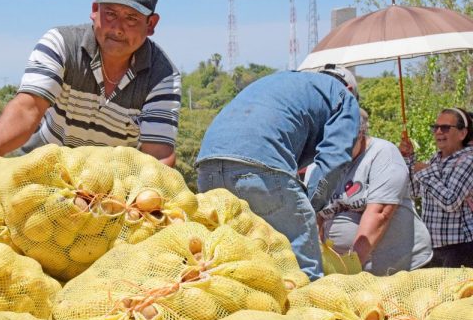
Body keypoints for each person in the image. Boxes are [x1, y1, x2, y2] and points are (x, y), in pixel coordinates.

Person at [0, 0, 181, 178]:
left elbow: (158, 156)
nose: (118, 28)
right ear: (95, 11)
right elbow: (28, 108)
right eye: (110, 14)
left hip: (109, 189)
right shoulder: (61, 44)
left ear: (151, 24)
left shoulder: (163, 76)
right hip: (42, 175)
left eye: (131, 18)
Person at [196, 65, 361, 280]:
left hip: (207, 167)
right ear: (349, 88)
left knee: (236, 270)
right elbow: (333, 160)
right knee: (301, 275)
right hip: (260, 170)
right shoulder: (342, 96)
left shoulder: (284, 81)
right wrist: (309, 208)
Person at [318, 109, 433, 274]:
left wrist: (352, 268)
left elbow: (379, 214)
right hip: (348, 270)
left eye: (342, 141)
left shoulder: (383, 153)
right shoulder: (326, 162)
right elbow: (317, 213)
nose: (336, 148)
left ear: (360, 134)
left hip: (400, 269)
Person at [399, 107, 473, 268]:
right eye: (436, 127)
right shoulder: (435, 159)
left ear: (462, 133)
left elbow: (450, 201)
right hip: (433, 248)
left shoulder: (468, 160)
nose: (438, 132)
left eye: (445, 127)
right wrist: (409, 159)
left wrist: (425, 173)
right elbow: (414, 191)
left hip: (460, 249)